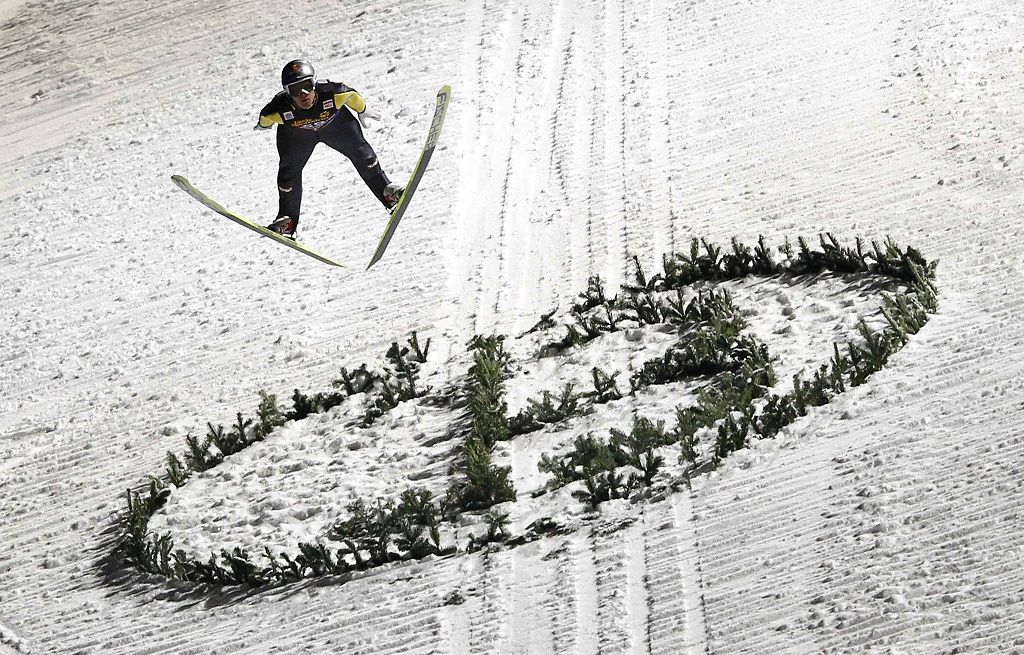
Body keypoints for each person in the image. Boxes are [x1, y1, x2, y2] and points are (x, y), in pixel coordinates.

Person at [254, 59, 403, 238]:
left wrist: (363, 109)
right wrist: (263, 126)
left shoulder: (333, 93)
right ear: (287, 92)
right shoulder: (277, 110)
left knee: (362, 153)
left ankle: (387, 193)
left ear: (315, 83)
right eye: (295, 89)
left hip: (336, 126)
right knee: (288, 172)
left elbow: (352, 95)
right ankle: (288, 221)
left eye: (307, 85)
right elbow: (264, 119)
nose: (303, 94)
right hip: (297, 135)